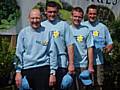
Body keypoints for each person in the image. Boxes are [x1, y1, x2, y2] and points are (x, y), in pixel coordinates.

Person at [14, 8, 58, 90]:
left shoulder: (47, 32)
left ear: (41, 18)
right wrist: (18, 72)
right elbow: (18, 53)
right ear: (28, 18)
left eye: (37, 18)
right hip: (27, 69)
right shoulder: (23, 33)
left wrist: (52, 73)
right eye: (32, 18)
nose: (35, 20)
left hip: (43, 69)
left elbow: (53, 53)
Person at [41, 1, 75, 90]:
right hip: (45, 63)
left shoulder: (64, 25)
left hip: (61, 63)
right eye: (50, 12)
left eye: (54, 12)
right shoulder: (41, 26)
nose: (52, 14)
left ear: (58, 12)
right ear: (45, 11)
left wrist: (71, 64)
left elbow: (70, 45)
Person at [82, 4, 113, 90]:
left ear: (97, 14)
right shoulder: (82, 26)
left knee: (99, 84)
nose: (92, 16)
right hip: (84, 61)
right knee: (85, 85)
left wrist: (107, 49)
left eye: (94, 14)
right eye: (90, 14)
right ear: (87, 14)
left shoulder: (103, 27)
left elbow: (110, 43)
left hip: (98, 62)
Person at [70, 7, 94, 90]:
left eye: (79, 17)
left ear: (82, 18)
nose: (77, 19)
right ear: (71, 16)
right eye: (75, 16)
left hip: (83, 65)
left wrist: (90, 66)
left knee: (83, 88)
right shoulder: (66, 29)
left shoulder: (86, 30)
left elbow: (90, 48)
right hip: (69, 65)